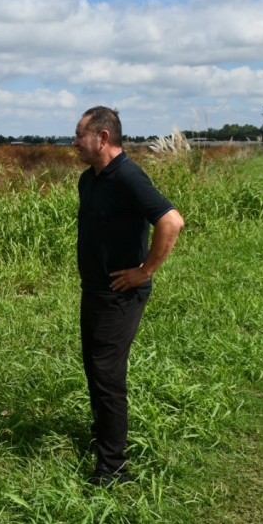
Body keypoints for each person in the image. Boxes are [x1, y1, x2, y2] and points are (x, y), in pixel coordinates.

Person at [72, 106, 184, 486]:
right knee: (95, 368)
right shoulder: (90, 180)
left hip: (120, 295)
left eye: (79, 136)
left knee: (108, 376)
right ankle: (104, 438)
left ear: (102, 138)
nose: (74, 144)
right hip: (95, 291)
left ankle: (113, 468)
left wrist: (144, 271)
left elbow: (171, 221)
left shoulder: (128, 177)